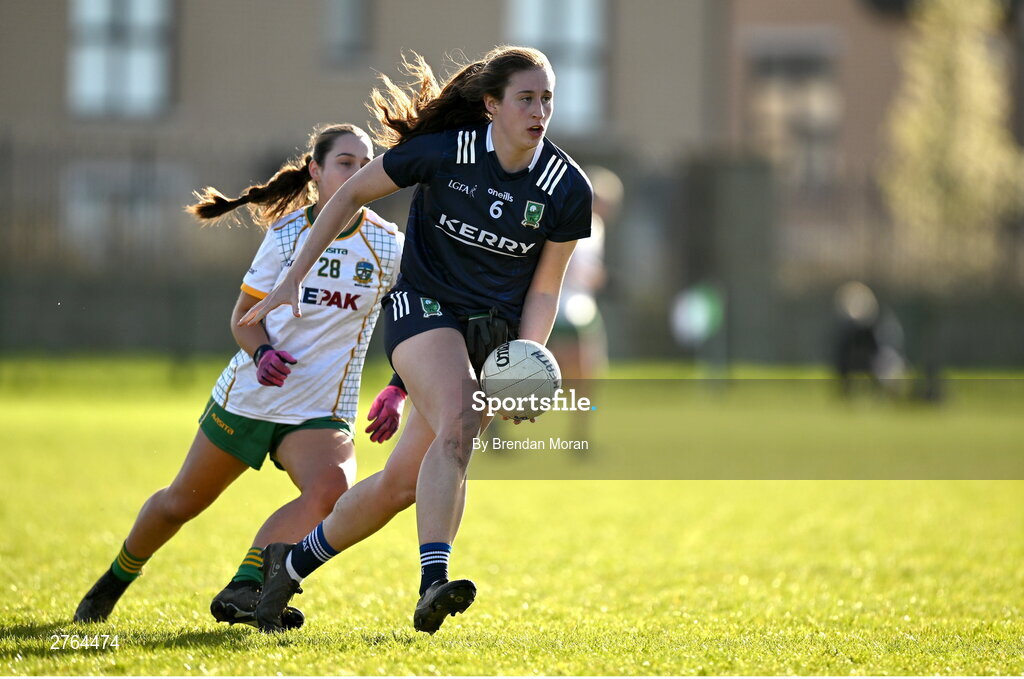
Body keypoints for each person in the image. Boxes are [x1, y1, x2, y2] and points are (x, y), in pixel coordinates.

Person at [237, 46, 593, 634]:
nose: (539, 111)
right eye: (525, 98)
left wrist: (524, 360)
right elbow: (349, 195)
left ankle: (289, 565)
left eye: (547, 99)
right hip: (420, 311)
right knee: (460, 422)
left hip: (487, 335)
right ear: (491, 105)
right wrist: (295, 274)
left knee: (402, 483)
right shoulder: (442, 154)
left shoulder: (565, 188)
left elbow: (545, 291)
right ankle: (434, 582)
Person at [73, 124, 405, 628]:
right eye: (344, 162)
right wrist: (263, 352)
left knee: (331, 491)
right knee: (178, 504)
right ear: (315, 171)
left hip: (321, 409)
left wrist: (398, 388)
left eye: (365, 165)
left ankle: (245, 587)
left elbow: (420, 317)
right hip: (250, 399)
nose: (357, 173)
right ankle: (113, 581)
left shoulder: (387, 244)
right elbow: (242, 319)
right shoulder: (287, 233)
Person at [546, 165, 622, 441]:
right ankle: (581, 433)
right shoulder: (585, 223)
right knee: (584, 373)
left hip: (568, 305)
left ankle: (580, 431)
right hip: (572, 309)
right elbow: (576, 270)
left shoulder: (585, 223)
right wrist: (603, 279)